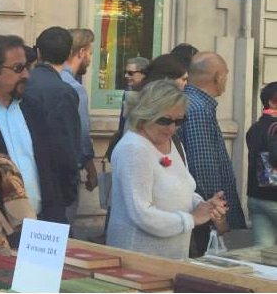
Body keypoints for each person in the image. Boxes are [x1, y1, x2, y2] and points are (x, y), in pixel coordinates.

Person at [107, 80, 227, 260]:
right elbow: (141, 214)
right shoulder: (134, 148)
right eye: (164, 120)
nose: (172, 127)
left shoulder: (173, 142)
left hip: (173, 257)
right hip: (139, 259)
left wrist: (204, 205)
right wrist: (192, 219)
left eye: (180, 120)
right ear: (145, 114)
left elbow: (182, 187)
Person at [0, 35, 68, 224]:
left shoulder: (33, 107)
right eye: (18, 69)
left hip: (43, 225)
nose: (26, 74)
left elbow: (51, 167)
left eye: (26, 67)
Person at [179, 52, 247, 257]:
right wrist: (219, 219)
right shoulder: (198, 109)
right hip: (207, 223)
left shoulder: (191, 102)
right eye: (226, 74)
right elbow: (204, 170)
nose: (226, 79)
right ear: (217, 77)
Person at [23, 27, 82, 211]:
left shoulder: (22, 84)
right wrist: (69, 190)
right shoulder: (63, 91)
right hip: (51, 186)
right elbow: (68, 146)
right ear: (68, 56)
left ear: (38, 52)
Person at [63, 29, 98, 204]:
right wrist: (91, 168)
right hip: (68, 170)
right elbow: (82, 135)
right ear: (81, 52)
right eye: (90, 53)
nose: (90, 59)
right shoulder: (75, 89)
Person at [246, 82, 277, 247]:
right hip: (275, 199)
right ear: (272, 102)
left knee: (262, 254)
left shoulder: (254, 128)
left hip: (256, 197)